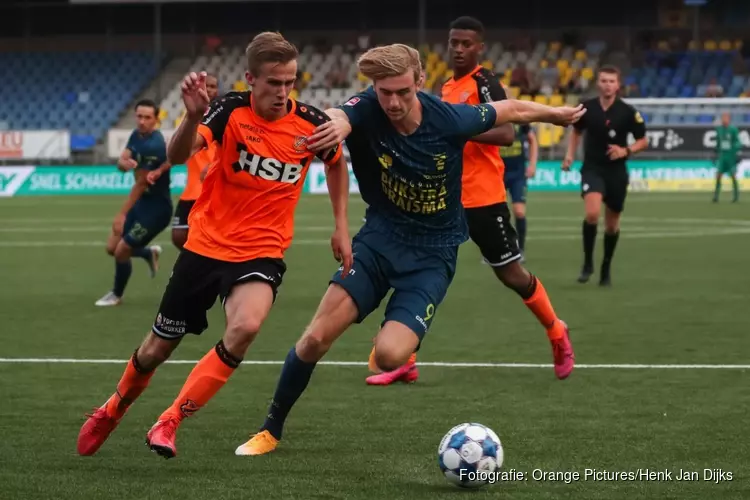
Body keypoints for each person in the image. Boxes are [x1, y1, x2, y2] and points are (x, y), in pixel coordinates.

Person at [233, 43, 585, 456]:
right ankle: (270, 430)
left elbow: (509, 113)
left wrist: (557, 115)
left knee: (387, 356)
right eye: (385, 93)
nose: (394, 102)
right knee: (313, 339)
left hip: (432, 256)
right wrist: (339, 124)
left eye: (403, 91)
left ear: (420, 82)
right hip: (378, 242)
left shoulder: (448, 119)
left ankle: (399, 333)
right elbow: (340, 116)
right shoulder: (367, 106)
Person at [76, 32, 352, 459]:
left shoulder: (311, 124)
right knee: (156, 349)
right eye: (273, 83)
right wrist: (190, 118)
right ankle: (114, 408)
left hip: (263, 250)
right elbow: (181, 154)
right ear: (250, 79)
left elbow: (336, 165)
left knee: (245, 328)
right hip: (206, 246)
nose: (282, 93)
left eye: (289, 82)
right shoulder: (228, 111)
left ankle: (170, 420)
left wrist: (340, 225)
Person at [365, 16, 568, 387]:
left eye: (466, 43)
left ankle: (556, 330)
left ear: (480, 48)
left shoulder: (484, 82)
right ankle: (405, 360)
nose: (458, 49)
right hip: (444, 197)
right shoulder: (446, 86)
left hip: (483, 198)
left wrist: (458, 130)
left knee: (510, 273)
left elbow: (507, 132)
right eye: (454, 42)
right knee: (416, 269)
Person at [563, 65, 648, 286]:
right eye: (603, 80)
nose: (607, 84)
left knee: (612, 225)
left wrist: (626, 150)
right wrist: (570, 156)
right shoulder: (587, 108)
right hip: (592, 168)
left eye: (612, 81)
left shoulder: (628, 112)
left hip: (616, 171)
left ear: (618, 85)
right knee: (592, 214)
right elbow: (577, 132)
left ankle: (606, 266)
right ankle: (587, 263)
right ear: (598, 83)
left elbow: (643, 140)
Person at [95, 100, 171, 307]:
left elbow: (139, 184)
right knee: (112, 248)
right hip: (142, 204)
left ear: (156, 120)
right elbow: (122, 163)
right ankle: (149, 252)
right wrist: (122, 163)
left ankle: (116, 295)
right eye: (139, 116)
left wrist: (121, 215)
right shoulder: (136, 135)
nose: (142, 121)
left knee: (121, 251)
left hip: (157, 209)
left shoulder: (154, 145)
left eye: (147, 118)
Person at [151, 74, 220, 250]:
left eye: (213, 86)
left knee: (211, 239)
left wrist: (216, 166)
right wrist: (161, 169)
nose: (210, 89)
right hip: (191, 189)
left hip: (213, 190)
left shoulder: (222, 116)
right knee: (179, 237)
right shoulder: (191, 115)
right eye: (207, 85)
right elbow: (181, 150)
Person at [712, 112, 740, 203]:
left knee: (733, 175)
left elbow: (738, 142)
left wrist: (735, 150)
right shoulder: (719, 129)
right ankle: (716, 196)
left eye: (726, 117)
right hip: (722, 156)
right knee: (718, 175)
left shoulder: (733, 130)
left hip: (730, 156)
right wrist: (716, 151)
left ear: (729, 119)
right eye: (723, 117)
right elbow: (718, 142)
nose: (724, 119)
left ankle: (736, 196)